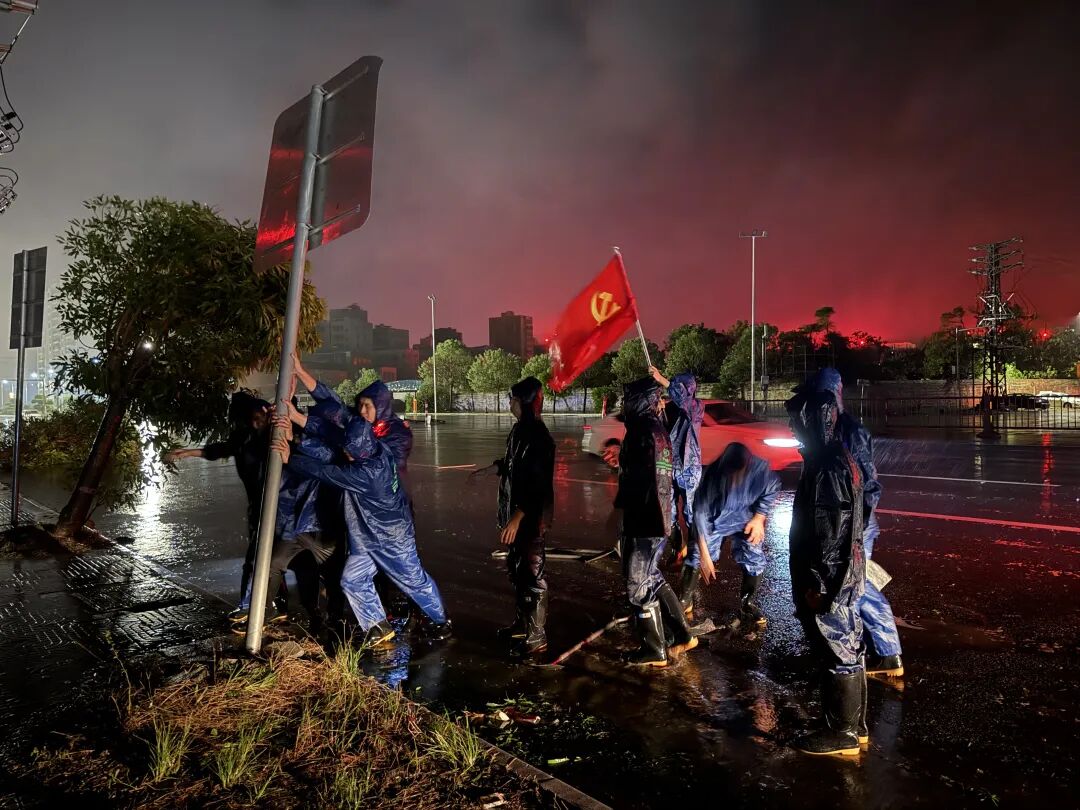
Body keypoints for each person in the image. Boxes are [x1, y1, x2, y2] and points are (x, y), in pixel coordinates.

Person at [272, 405, 452, 647]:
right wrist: (298, 420)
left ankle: (440, 620)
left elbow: (326, 472)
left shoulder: (367, 475)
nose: (346, 452)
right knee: (352, 580)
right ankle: (377, 626)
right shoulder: (376, 447)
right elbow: (335, 434)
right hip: (368, 537)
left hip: (392, 538)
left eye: (350, 450)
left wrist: (291, 458)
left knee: (413, 581)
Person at [786, 386, 868, 756]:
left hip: (830, 577)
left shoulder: (828, 467)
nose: (791, 427)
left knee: (837, 647)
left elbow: (830, 532)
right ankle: (854, 726)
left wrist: (819, 585)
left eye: (796, 420)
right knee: (847, 644)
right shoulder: (836, 458)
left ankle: (843, 732)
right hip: (841, 574)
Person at [810, 368, 903, 679]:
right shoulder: (827, 429)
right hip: (842, 524)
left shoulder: (851, 431)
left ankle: (888, 654)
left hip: (855, 525)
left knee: (856, 587)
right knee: (850, 585)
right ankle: (873, 649)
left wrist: (857, 527)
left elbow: (868, 483)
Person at [167, 391, 287, 622]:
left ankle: (255, 606)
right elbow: (218, 450)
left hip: (279, 506)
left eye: (259, 417)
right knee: (263, 557)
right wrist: (188, 453)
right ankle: (267, 605)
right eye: (251, 419)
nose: (256, 422)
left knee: (264, 558)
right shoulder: (242, 438)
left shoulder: (274, 435)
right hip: (258, 507)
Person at [615, 377, 698, 667]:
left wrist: (626, 516)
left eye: (627, 399)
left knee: (638, 584)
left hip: (645, 521)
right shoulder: (655, 430)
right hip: (656, 519)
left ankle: (654, 649)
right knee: (651, 577)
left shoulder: (643, 432)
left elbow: (644, 483)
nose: (623, 405)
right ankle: (682, 634)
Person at [488, 376, 555, 657]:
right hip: (514, 515)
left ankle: (537, 636)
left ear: (525, 402)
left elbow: (537, 484)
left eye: (513, 399)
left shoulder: (538, 436)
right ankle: (522, 624)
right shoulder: (519, 431)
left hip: (530, 520)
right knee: (517, 571)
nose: (510, 404)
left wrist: (517, 518)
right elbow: (516, 467)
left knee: (532, 574)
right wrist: (501, 466)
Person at [682, 442, 781, 625]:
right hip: (714, 519)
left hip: (745, 517)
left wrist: (759, 517)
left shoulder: (761, 471)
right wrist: (704, 553)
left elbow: (772, 487)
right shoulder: (711, 476)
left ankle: (747, 604)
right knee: (696, 555)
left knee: (753, 555)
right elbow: (700, 514)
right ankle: (684, 600)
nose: (734, 479)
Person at [649, 367, 704, 565]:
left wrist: (661, 379)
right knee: (668, 514)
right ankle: (678, 549)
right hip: (668, 467)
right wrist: (658, 413)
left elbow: (683, 400)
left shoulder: (696, 406)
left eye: (679, 386)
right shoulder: (669, 406)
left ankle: (695, 559)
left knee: (691, 514)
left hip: (689, 469)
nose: (675, 388)